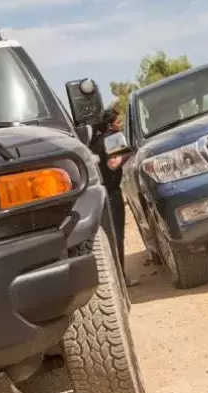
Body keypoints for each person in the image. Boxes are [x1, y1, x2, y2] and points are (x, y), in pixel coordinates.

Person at [90, 108, 138, 287]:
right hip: (112, 194)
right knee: (117, 237)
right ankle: (121, 279)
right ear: (110, 125)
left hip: (100, 195)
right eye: (118, 122)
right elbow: (113, 164)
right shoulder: (113, 138)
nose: (120, 125)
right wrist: (129, 151)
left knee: (109, 238)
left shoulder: (94, 141)